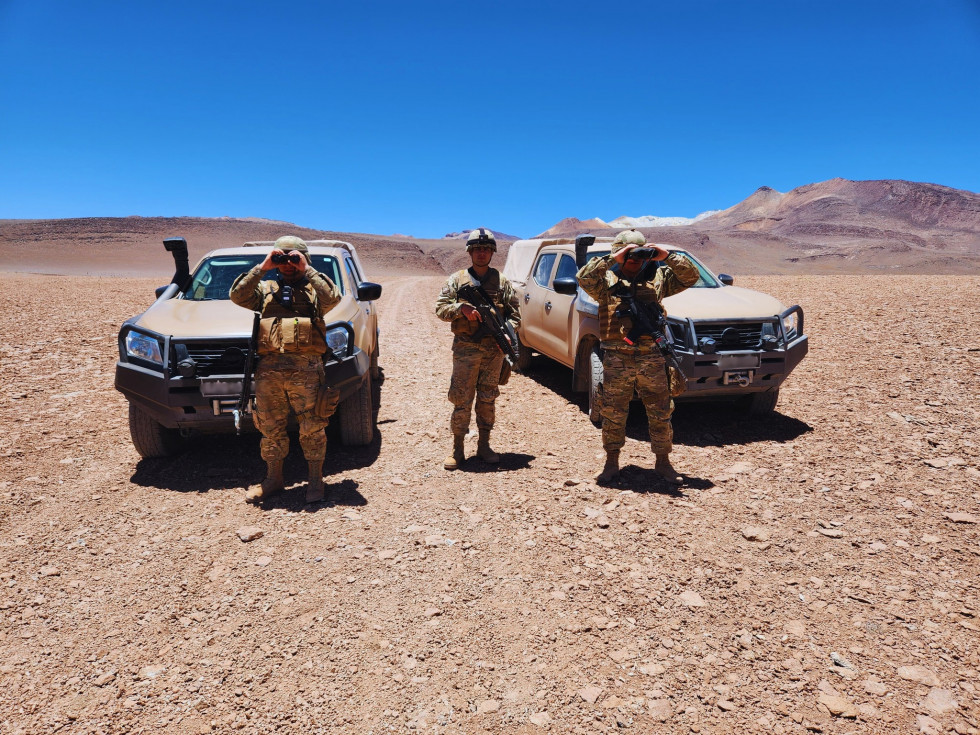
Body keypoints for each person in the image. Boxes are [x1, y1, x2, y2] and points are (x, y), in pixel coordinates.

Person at [576, 229, 699, 484]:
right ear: (618, 252)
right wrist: (613, 259)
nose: (635, 258)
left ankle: (663, 463)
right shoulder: (605, 280)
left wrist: (667, 256)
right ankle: (611, 462)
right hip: (616, 357)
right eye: (629, 253)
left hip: (651, 357)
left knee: (661, 411)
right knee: (613, 411)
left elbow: (691, 276)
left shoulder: (659, 276)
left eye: (640, 252)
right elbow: (583, 278)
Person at [229, 235, 342, 504]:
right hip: (270, 371)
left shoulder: (315, 290)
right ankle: (273, 479)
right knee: (270, 426)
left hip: (307, 371)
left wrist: (308, 270)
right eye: (283, 258)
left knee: (312, 426)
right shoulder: (265, 289)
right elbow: (237, 295)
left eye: (294, 258)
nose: (288, 264)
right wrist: (263, 267)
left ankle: (315, 481)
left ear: (304, 259)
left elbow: (333, 298)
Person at [434, 228, 521, 470]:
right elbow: (440, 308)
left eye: (486, 249)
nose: (481, 253)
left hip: (493, 352)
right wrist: (460, 308)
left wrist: (507, 331)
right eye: (477, 249)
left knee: (487, 397)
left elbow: (515, 315)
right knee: (461, 397)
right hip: (466, 349)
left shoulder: (502, 281)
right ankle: (458, 448)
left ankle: (484, 445)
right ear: (470, 252)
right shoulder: (457, 280)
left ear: (492, 252)